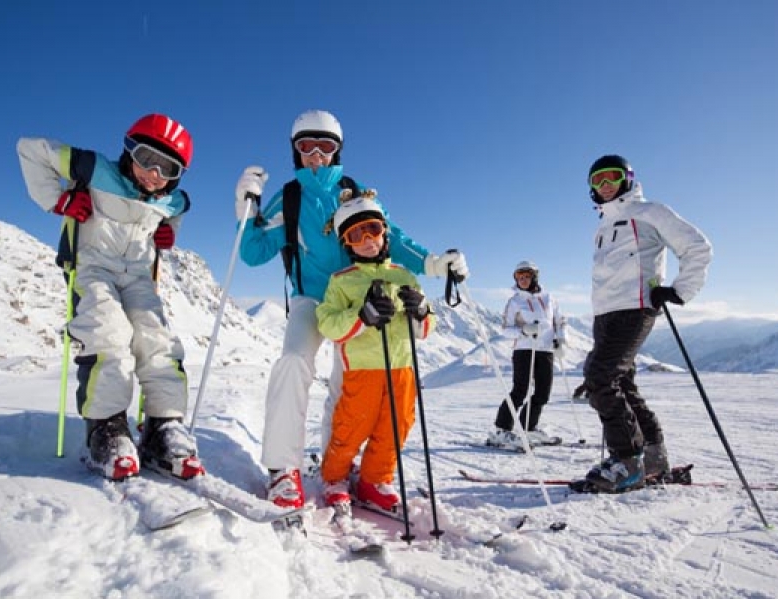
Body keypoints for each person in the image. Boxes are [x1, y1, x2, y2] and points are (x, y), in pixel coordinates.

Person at [234, 109, 469, 509]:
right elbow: (254, 254)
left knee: (349, 385)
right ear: (295, 151)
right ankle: (283, 469)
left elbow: (389, 236)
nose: (316, 155)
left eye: (326, 146)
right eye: (306, 146)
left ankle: (336, 470)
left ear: (338, 150)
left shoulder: (354, 189)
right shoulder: (289, 197)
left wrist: (432, 264)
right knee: (293, 361)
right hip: (312, 299)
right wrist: (247, 211)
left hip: (361, 300)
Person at [17, 114, 203, 482]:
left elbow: (173, 216)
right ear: (128, 150)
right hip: (93, 268)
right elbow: (30, 150)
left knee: (157, 340)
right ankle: (106, 429)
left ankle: (163, 427)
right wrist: (60, 200)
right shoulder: (93, 168)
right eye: (146, 158)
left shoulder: (174, 200)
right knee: (109, 335)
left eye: (167, 168)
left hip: (137, 277)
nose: (153, 173)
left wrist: (167, 233)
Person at [580, 154, 712, 493]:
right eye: (597, 180)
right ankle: (653, 456)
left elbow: (697, 247)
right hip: (605, 314)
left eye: (611, 176)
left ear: (627, 178)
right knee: (621, 383)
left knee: (601, 378)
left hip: (635, 309)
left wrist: (680, 290)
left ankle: (627, 461)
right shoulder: (603, 225)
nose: (605, 185)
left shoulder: (648, 211)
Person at [315, 194, 435, 514]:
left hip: (402, 367)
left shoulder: (404, 276)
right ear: (346, 243)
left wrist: (421, 311)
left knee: (396, 427)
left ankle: (374, 480)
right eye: (356, 235)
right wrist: (362, 316)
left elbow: (424, 330)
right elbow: (328, 324)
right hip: (364, 368)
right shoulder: (341, 282)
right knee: (353, 425)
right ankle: (335, 478)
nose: (367, 240)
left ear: (384, 232)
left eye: (372, 229)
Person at [486, 260, 567, 450]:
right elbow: (505, 329)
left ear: (534, 277)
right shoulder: (515, 301)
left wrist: (561, 340)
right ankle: (502, 429)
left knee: (542, 393)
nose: (522, 280)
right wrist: (523, 331)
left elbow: (560, 321)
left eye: (526, 276)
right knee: (520, 391)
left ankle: (528, 427)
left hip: (545, 350)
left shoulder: (549, 298)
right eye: (519, 277)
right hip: (524, 349)